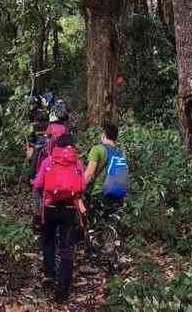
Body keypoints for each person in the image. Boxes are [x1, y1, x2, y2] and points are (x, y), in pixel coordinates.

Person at [32, 133, 85, 303]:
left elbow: (39, 184)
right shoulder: (77, 163)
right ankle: (62, 293)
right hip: (69, 210)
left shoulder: (48, 161)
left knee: (48, 240)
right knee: (67, 250)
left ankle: (49, 273)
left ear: (57, 146)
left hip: (50, 208)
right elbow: (82, 186)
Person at [84, 122, 128, 268]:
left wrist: (79, 188)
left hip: (100, 194)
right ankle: (115, 261)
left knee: (92, 227)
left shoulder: (98, 149)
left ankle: (93, 261)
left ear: (104, 135)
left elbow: (89, 173)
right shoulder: (120, 152)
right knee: (113, 226)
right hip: (118, 195)